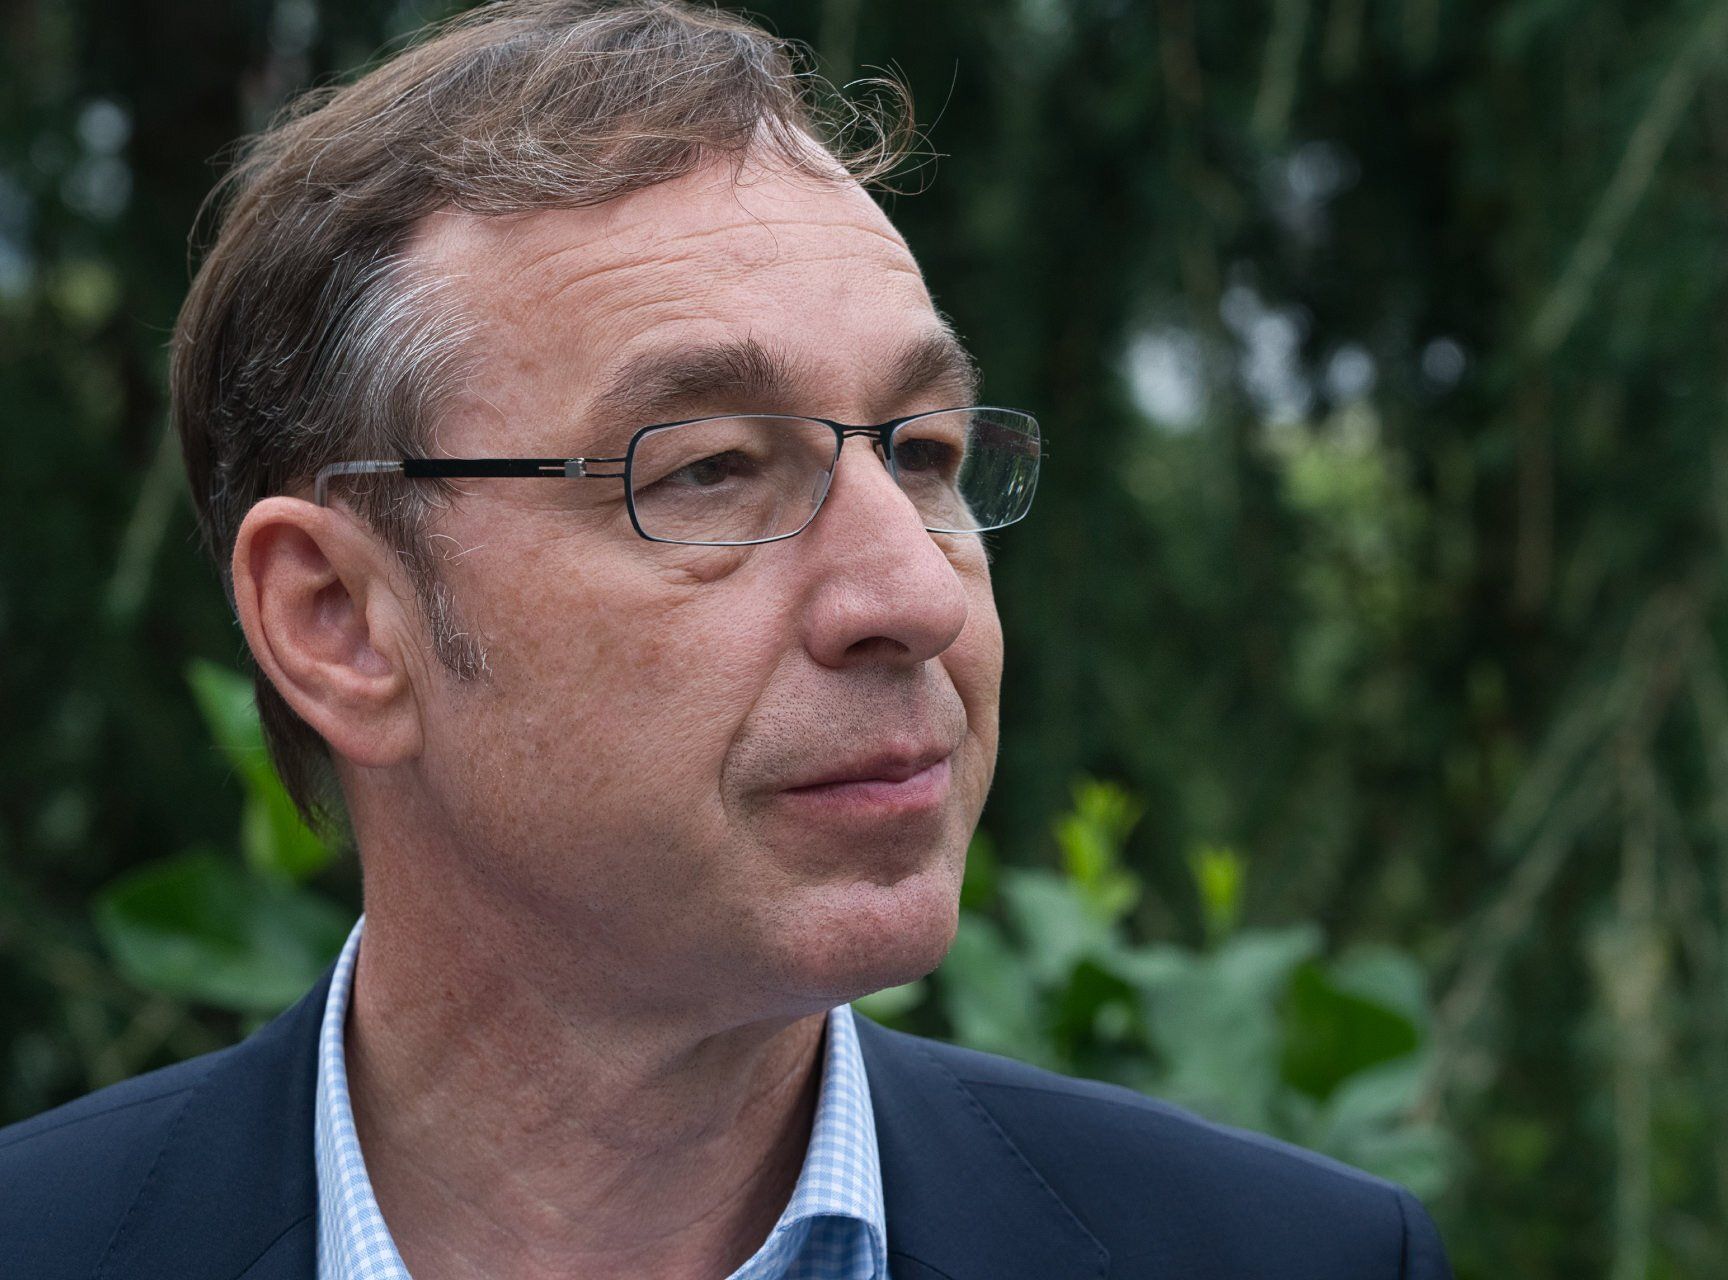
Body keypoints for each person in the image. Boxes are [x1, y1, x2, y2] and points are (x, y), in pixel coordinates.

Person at [0, 3, 1452, 1277]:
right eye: (706, 471)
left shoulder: (1292, 1259)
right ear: (339, 624)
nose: (918, 597)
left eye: (926, 452)